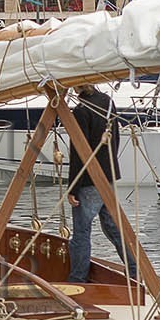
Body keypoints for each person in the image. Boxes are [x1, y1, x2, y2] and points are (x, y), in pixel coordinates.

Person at [67, 84, 132, 283]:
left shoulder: (80, 111)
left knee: (81, 232)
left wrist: (73, 187)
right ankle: (136, 271)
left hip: (88, 180)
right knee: (113, 228)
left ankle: (78, 278)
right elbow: (116, 138)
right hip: (108, 175)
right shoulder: (107, 102)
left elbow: (80, 152)